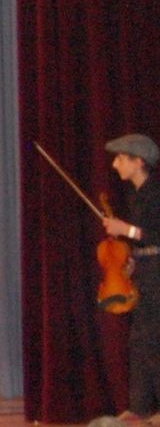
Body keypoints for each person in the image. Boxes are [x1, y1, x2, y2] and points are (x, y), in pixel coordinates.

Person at [103, 134, 160, 421]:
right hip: (146, 272)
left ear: (139, 162)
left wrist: (125, 230)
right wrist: (131, 264)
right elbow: (143, 243)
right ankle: (139, 408)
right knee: (139, 342)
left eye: (121, 158)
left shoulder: (156, 192)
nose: (115, 164)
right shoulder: (135, 194)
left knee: (154, 341)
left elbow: (154, 235)